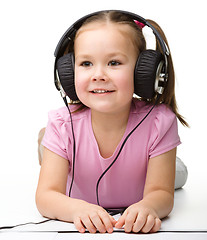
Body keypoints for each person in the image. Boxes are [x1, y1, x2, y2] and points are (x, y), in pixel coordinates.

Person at [36, 10, 188, 234]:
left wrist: (148, 206)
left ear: (143, 73)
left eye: (114, 62)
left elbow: (162, 194)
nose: (98, 74)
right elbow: (45, 196)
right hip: (72, 153)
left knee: (177, 174)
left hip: (147, 166)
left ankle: (170, 160)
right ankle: (45, 143)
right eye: (86, 63)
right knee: (52, 145)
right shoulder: (62, 124)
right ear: (67, 73)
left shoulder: (159, 122)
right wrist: (77, 209)